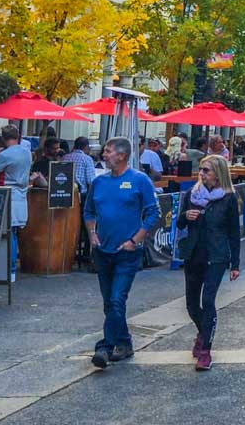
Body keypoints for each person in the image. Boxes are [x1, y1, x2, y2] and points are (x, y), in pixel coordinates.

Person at [83, 137, 158, 368]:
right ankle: (124, 342)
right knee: (110, 302)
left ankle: (105, 347)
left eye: (107, 151)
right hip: (103, 251)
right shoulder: (99, 182)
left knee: (117, 299)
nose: (103, 155)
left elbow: (152, 213)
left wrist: (135, 240)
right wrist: (92, 233)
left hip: (127, 252)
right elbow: (88, 212)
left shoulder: (139, 180)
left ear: (122, 155)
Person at [177, 155, 240, 371]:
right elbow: (178, 222)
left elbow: (234, 232)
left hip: (217, 256)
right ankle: (202, 333)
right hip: (194, 254)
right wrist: (187, 215)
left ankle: (205, 351)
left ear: (218, 173)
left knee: (209, 301)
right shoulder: (191, 194)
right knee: (192, 305)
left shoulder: (229, 198)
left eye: (207, 170)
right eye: (201, 170)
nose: (202, 174)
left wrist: (236, 264)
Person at [0, 125, 34, 281]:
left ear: (3, 138)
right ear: (19, 136)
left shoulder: (4, 155)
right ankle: (12, 270)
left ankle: (7, 270)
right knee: (13, 232)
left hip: (7, 195)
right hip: (22, 194)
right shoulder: (27, 153)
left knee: (7, 234)